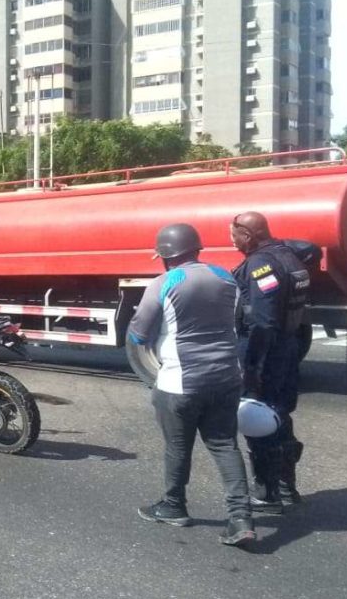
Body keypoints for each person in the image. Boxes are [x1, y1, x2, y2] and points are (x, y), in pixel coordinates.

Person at [128, 223, 255, 547]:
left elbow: (139, 334)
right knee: (225, 444)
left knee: (178, 446)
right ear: (196, 249)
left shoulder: (164, 282)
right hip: (227, 377)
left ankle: (174, 506)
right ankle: (241, 518)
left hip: (180, 382)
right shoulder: (226, 277)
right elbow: (237, 321)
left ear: (166, 255)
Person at [231, 211, 311, 513]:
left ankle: (267, 493)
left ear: (248, 235)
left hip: (267, 352)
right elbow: (311, 250)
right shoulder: (289, 254)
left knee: (257, 418)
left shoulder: (261, 264)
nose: (233, 241)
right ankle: (287, 487)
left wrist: (252, 368)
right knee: (280, 414)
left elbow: (263, 321)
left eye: (234, 235)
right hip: (288, 347)